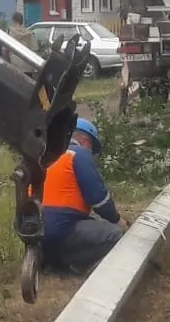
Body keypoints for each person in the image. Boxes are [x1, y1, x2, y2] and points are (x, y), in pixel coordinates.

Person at [40, 118, 128, 275]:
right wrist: (118, 220)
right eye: (91, 148)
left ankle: (48, 261)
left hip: (33, 228)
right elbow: (99, 200)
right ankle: (72, 264)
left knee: (84, 224)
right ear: (83, 139)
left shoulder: (43, 155)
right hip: (61, 229)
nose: (91, 153)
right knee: (114, 234)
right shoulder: (78, 154)